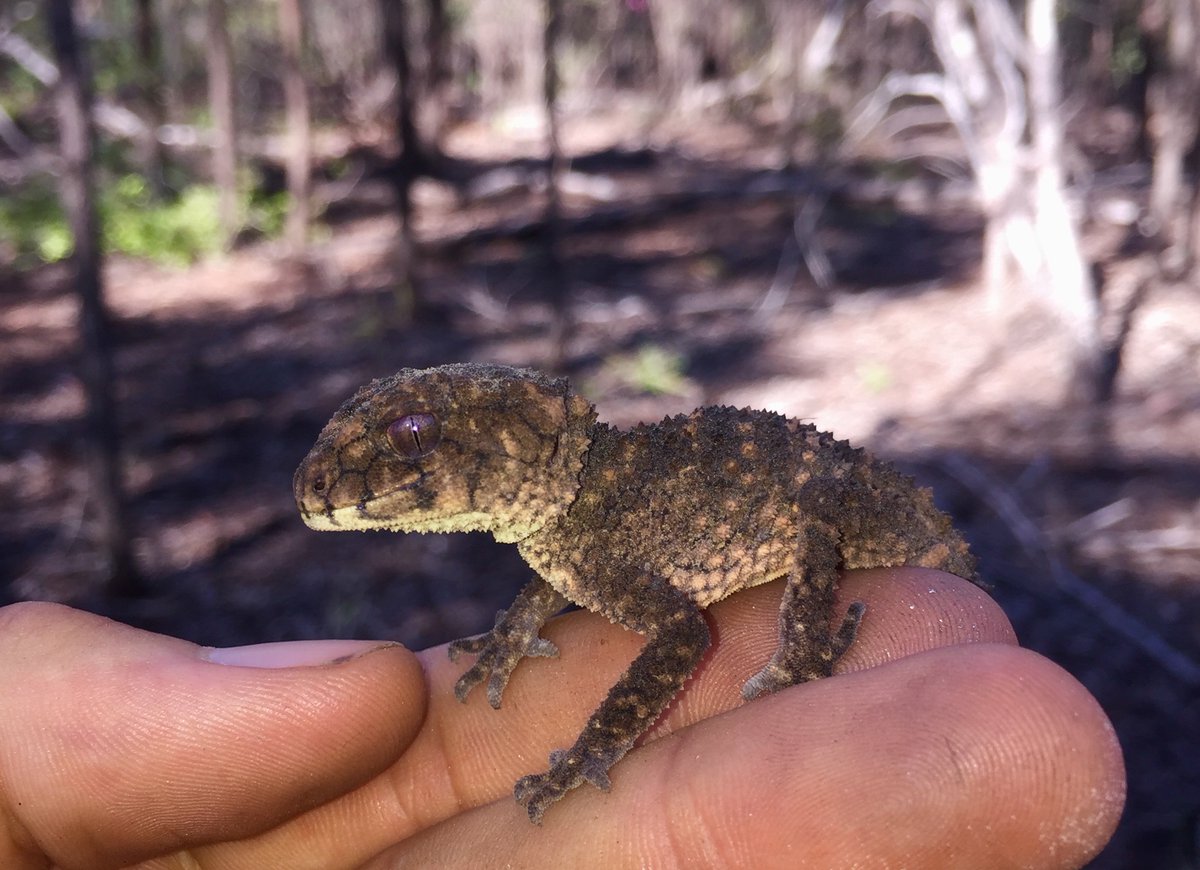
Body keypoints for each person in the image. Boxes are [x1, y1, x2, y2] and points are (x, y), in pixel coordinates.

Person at [0, 568, 1123, 869]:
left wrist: (595, 746)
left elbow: (682, 636)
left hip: (834, 545)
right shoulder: (562, 535)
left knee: (968, 713)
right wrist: (515, 631)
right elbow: (564, 568)